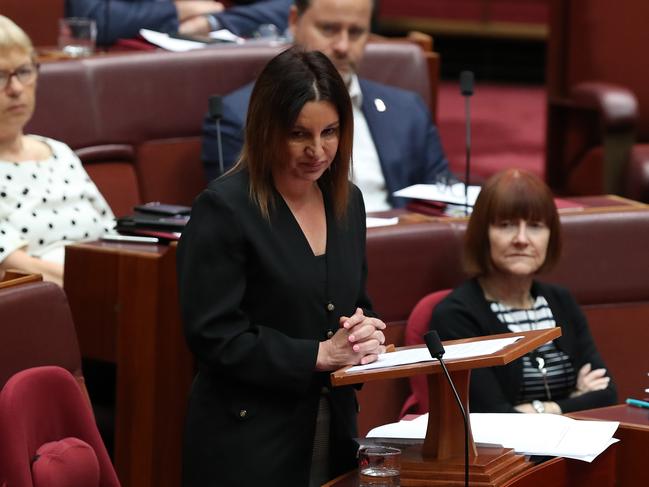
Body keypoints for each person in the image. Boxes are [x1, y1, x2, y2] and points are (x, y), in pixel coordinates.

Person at [177, 47, 387, 486]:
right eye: (298, 134)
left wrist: (365, 335)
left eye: (330, 131)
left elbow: (354, 305)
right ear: (266, 129)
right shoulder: (224, 207)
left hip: (334, 426)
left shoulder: (349, 204)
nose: (317, 150)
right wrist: (319, 354)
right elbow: (214, 335)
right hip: (248, 441)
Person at [202, 0, 450, 212]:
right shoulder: (240, 116)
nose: (342, 46)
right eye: (329, 29)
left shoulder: (407, 109)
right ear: (294, 20)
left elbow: (445, 197)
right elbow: (245, 218)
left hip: (401, 254)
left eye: (355, 32)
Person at [430, 169, 617, 415]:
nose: (521, 239)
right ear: (482, 235)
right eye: (506, 225)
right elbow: (493, 414)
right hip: (506, 453)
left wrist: (539, 409)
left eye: (535, 226)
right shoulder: (456, 315)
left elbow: (606, 393)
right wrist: (573, 400)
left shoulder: (560, 301)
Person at [0, 16, 115, 286]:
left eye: (24, 71)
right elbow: (15, 269)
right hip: (41, 312)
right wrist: (108, 285)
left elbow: (114, 235)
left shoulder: (59, 152)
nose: (16, 89)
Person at [65, 0, 292, 46]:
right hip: (135, 69)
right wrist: (179, 10)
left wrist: (210, 21)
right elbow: (94, 21)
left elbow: (300, 6)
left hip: (215, 53)